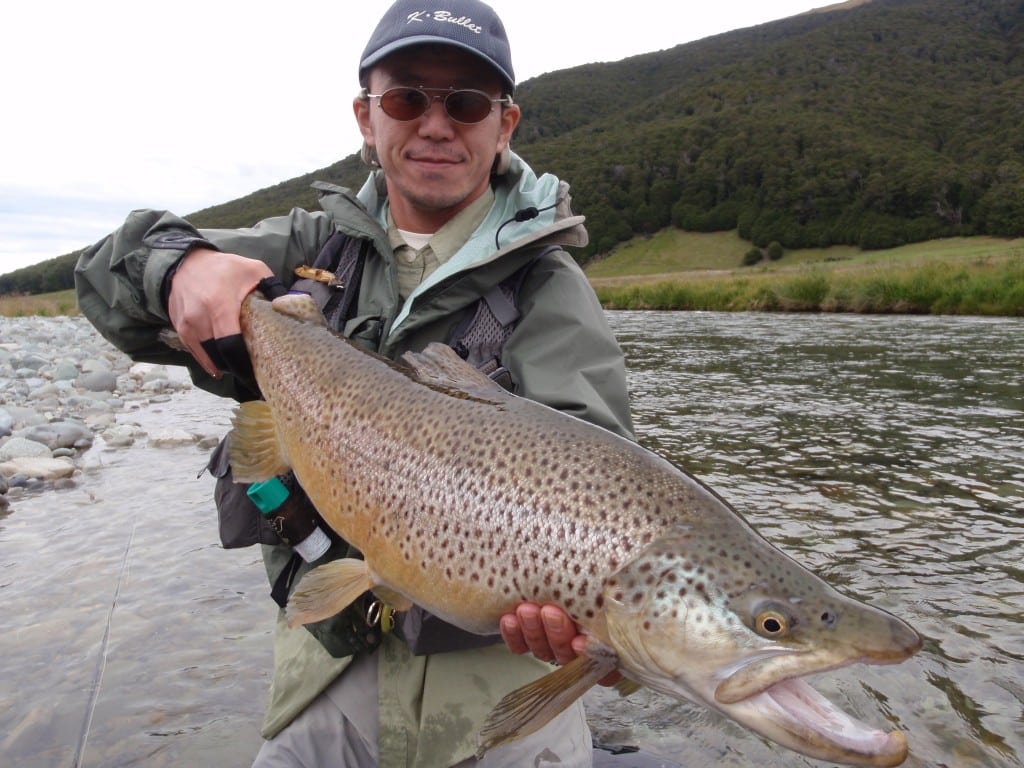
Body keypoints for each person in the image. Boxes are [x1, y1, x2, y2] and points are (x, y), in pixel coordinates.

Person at [75, 1, 635, 766]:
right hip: (325, 671)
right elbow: (108, 274)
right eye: (407, 98)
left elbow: (598, 466)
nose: (437, 125)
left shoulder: (550, 286)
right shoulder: (306, 247)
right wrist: (179, 266)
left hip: (495, 700)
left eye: (467, 103)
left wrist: (588, 622)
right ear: (366, 117)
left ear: (504, 125)